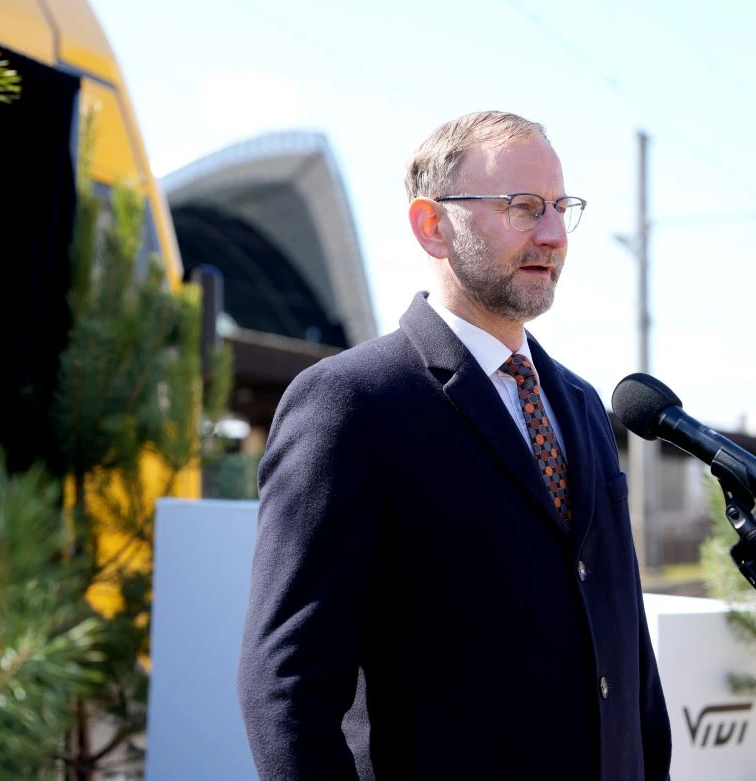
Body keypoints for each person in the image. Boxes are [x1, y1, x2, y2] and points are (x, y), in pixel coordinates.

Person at [237, 110, 672, 780]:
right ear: (432, 225)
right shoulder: (351, 403)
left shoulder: (582, 406)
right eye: (522, 207)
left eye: (561, 207)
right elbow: (287, 690)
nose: (553, 234)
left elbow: (629, 656)